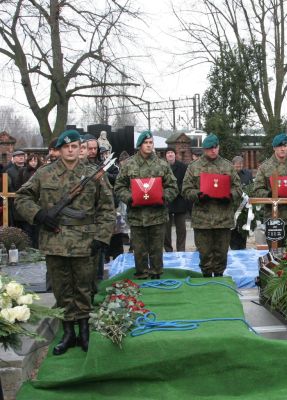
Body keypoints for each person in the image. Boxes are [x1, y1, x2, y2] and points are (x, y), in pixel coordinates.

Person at [15, 129, 115, 355]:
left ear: (80, 149)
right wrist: (39, 215)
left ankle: (84, 331)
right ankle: (68, 333)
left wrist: (101, 237)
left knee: (84, 288)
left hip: (85, 241)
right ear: (59, 150)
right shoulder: (44, 174)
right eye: (66, 147)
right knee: (61, 289)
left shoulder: (94, 174)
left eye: (74, 146)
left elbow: (107, 209)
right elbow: (21, 197)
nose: (70, 150)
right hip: (55, 241)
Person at [114, 130, 178, 279]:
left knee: (157, 250)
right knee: (139, 250)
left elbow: (173, 187)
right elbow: (119, 187)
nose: (149, 145)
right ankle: (141, 275)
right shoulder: (129, 165)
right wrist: (130, 198)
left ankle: (156, 275)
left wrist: (163, 197)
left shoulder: (162, 164)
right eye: (146, 143)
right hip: (137, 216)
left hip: (157, 215)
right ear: (139, 145)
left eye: (151, 143)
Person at [182, 134, 242, 277]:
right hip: (202, 220)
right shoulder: (194, 167)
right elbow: (185, 190)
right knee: (205, 254)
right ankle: (207, 278)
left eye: (215, 147)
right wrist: (198, 195)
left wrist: (229, 195)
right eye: (210, 148)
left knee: (221, 254)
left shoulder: (228, 166)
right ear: (204, 149)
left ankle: (219, 277)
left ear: (218, 147)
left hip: (223, 218)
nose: (213, 150)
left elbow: (238, 188)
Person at [163, 148, 188, 252]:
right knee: (166, 229)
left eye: (172, 153)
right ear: (165, 155)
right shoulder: (162, 167)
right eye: (168, 153)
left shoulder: (183, 167)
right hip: (166, 201)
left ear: (175, 154)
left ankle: (181, 250)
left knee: (181, 228)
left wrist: (176, 190)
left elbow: (186, 181)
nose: (170, 154)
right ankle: (168, 249)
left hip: (180, 201)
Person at [17, 154, 41, 248]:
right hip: (27, 202)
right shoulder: (23, 171)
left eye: (35, 161)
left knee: (37, 230)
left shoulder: (41, 171)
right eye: (31, 161)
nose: (33, 163)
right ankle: (28, 248)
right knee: (27, 229)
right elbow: (19, 186)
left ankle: (37, 248)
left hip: (38, 203)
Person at [230, 155, 254, 250]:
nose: (238, 168)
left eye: (240, 166)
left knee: (243, 230)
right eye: (236, 166)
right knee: (233, 231)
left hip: (245, 208)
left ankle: (243, 248)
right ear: (232, 165)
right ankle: (233, 248)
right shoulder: (228, 174)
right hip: (232, 208)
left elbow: (251, 187)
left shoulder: (248, 174)